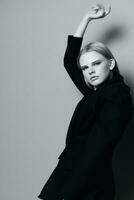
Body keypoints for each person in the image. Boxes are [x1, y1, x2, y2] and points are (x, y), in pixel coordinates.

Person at [38, 4, 133, 200]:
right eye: (85, 68)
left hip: (88, 179)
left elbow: (98, 147)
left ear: (111, 63)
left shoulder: (117, 96)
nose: (90, 71)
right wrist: (87, 18)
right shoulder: (96, 93)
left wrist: (69, 191)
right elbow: (69, 61)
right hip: (71, 168)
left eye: (96, 64)